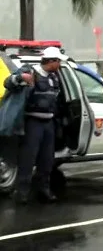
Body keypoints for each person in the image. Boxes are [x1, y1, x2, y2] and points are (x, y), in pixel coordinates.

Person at [3, 46, 68, 204]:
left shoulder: (55, 77)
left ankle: (44, 190)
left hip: (49, 124)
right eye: (58, 61)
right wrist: (21, 78)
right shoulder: (30, 72)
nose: (59, 64)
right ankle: (22, 193)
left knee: (47, 160)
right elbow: (8, 83)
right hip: (33, 123)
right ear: (51, 61)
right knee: (27, 159)